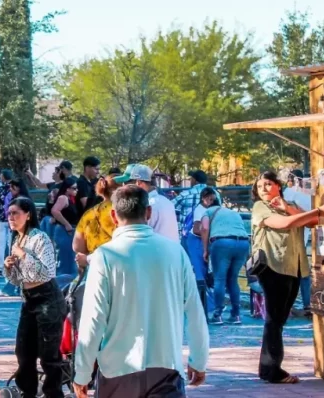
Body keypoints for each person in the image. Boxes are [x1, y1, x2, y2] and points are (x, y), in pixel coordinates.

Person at [73, 186, 209, 398]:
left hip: (117, 369)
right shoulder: (175, 252)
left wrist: (82, 372)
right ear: (148, 212)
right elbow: (194, 312)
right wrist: (198, 360)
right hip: (166, 366)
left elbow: (93, 319)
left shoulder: (105, 256)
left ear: (113, 215)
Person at [251, 171, 324, 384]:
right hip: (273, 266)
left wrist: (287, 207)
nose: (264, 189)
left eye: (268, 184)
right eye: (260, 187)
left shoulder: (291, 204)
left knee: (279, 319)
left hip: (294, 267)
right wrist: (317, 210)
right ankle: (272, 370)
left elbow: (312, 222)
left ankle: (267, 368)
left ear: (279, 186)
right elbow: (285, 224)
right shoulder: (261, 207)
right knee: (274, 319)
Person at [4, 197, 66, 398]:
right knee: (23, 351)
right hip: (29, 299)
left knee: (49, 354)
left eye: (16, 213)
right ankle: (27, 391)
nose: (11, 217)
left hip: (47, 298)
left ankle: (52, 393)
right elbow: (17, 280)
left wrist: (24, 255)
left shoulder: (39, 238)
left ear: (28, 214)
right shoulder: (16, 239)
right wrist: (9, 267)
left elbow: (47, 272)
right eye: (9, 213)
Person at [200, 193, 250, 325]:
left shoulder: (208, 211)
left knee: (219, 279)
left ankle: (217, 315)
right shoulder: (232, 212)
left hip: (222, 243)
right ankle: (236, 314)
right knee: (233, 279)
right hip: (243, 243)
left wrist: (205, 250)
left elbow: (204, 228)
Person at [73, 169, 122, 268]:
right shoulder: (125, 212)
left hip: (94, 264)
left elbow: (77, 246)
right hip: (119, 263)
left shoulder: (89, 214)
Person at [283, 169, 313, 316]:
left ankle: (287, 306)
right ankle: (307, 304)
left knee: (287, 274)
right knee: (304, 274)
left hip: (287, 239)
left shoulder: (289, 192)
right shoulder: (308, 194)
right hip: (303, 237)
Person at [172, 169, 220, 236]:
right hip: (210, 233)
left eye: (191, 179)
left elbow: (170, 207)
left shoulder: (185, 195)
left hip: (187, 234)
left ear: (194, 180)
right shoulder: (216, 194)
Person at [49, 176, 79, 276]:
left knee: (70, 260)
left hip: (68, 231)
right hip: (64, 231)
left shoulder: (70, 199)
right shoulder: (63, 198)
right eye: (74, 188)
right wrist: (67, 225)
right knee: (65, 260)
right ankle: (60, 286)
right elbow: (55, 210)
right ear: (67, 189)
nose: (76, 190)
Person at [0, 169, 14, 277]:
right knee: (12, 243)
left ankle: (0, 267)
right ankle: (12, 265)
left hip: (1, 218)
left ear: (3, 177)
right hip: (13, 219)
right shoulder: (14, 189)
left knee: (0, 244)